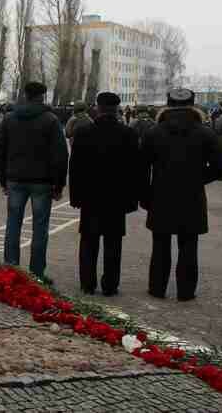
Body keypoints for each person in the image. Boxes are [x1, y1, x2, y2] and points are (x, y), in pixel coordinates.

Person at [141, 89, 222, 301]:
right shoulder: (204, 132)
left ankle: (157, 288)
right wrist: (200, 178)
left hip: (160, 195)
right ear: (193, 105)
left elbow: (140, 167)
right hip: (192, 196)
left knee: (160, 245)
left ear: (168, 105)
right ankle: (186, 291)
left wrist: (145, 195)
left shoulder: (154, 132)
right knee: (189, 246)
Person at [0, 82, 69, 280]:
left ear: (25, 95)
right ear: (42, 97)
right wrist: (59, 184)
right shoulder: (51, 120)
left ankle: (11, 268)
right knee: (40, 228)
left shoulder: (9, 118)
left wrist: (2, 179)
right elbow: (60, 155)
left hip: (15, 179)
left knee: (12, 224)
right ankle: (36, 273)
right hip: (42, 182)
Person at [69, 92, 140, 296]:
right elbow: (135, 170)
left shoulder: (84, 133)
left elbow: (75, 168)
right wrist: (132, 200)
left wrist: (75, 197)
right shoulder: (128, 134)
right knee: (113, 243)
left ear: (98, 108)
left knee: (89, 241)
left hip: (90, 197)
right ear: (117, 109)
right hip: (117, 199)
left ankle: (87, 283)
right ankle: (110, 285)